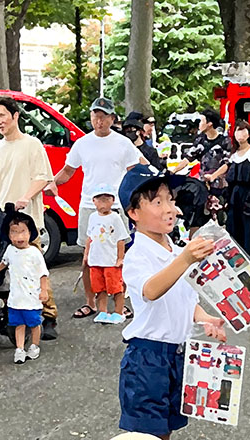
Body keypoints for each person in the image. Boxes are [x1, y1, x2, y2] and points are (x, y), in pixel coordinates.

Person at [117, 164, 226, 440]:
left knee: (166, 430)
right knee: (148, 434)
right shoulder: (137, 255)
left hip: (178, 354)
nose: (169, 208)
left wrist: (204, 318)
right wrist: (186, 259)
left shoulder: (176, 251)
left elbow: (185, 298)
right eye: (156, 201)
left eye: (170, 199)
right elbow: (151, 290)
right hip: (147, 358)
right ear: (133, 213)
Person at [45, 97, 142, 320]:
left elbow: (134, 173)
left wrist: (136, 202)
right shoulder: (82, 143)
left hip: (117, 206)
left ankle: (118, 302)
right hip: (89, 205)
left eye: (103, 116)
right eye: (95, 116)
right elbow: (68, 171)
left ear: (112, 118)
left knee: (119, 256)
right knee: (89, 256)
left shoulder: (123, 143)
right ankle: (90, 302)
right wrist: (53, 183)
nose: (98, 121)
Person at [0, 96, 58, 340]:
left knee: (35, 268)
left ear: (15, 116)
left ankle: (48, 315)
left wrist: (26, 197)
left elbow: (42, 177)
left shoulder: (32, 144)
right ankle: (16, 315)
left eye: (3, 115)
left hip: (28, 221)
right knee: (8, 270)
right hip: (3, 220)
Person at [0, 205, 48, 364]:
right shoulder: (10, 250)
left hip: (32, 296)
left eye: (23, 232)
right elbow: (4, 262)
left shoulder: (34, 253)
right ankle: (19, 348)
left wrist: (44, 291)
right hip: (16, 297)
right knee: (18, 324)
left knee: (34, 323)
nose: (19, 236)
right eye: (14, 232)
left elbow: (43, 273)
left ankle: (34, 345)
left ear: (30, 233)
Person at [209, 120, 250, 262]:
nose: (241, 134)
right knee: (233, 223)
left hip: (248, 194)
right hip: (234, 194)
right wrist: (213, 176)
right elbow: (226, 168)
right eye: (238, 130)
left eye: (244, 130)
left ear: (249, 133)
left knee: (248, 224)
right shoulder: (233, 154)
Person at [171, 109, 231, 228]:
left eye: (201, 121)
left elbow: (227, 163)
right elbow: (189, 157)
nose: (199, 124)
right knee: (201, 216)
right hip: (203, 184)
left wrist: (213, 176)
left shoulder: (225, 141)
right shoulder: (200, 140)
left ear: (210, 124)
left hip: (219, 186)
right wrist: (173, 171)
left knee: (219, 218)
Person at [84, 184, 129, 325]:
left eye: (106, 199)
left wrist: (120, 258)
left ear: (112, 200)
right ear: (94, 201)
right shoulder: (92, 217)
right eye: (99, 199)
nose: (103, 203)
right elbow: (89, 238)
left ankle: (118, 312)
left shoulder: (115, 218)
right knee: (99, 289)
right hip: (95, 261)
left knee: (116, 288)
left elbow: (120, 239)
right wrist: (86, 255)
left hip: (111, 261)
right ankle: (102, 311)